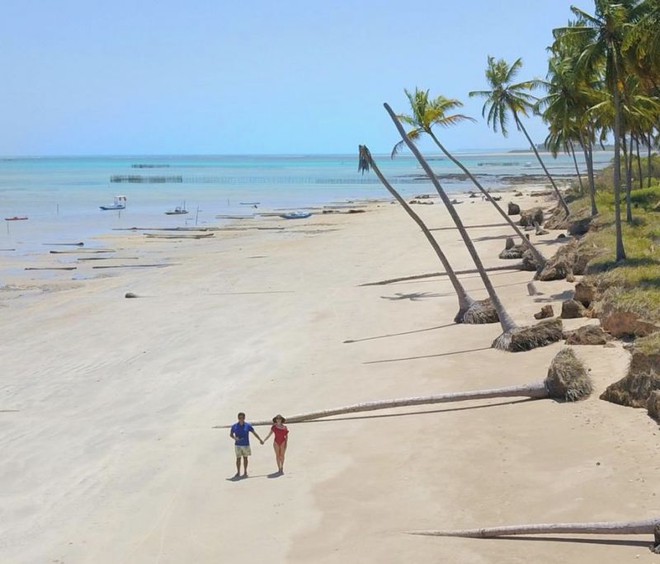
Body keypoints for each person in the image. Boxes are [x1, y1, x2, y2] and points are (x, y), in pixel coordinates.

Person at [230, 412, 263, 478]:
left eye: (242, 418)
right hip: (238, 445)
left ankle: (245, 471)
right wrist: (235, 438)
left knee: (245, 458)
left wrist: (260, 439)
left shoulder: (248, 426)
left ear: (244, 418)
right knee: (238, 459)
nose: (241, 419)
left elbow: (254, 433)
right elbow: (231, 434)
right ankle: (238, 472)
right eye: (239, 418)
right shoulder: (234, 426)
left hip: (246, 444)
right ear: (238, 418)